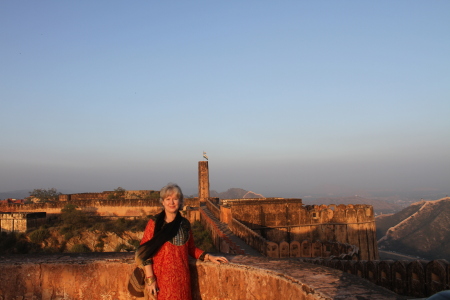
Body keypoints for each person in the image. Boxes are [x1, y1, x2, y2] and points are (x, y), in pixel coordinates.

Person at [136, 183, 228, 300]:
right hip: (162, 279)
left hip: (182, 278)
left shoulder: (184, 224)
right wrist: (150, 279)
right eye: (168, 199)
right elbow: (145, 252)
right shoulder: (154, 224)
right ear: (163, 202)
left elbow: (191, 249)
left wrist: (209, 257)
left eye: (175, 199)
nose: (171, 203)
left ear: (180, 202)